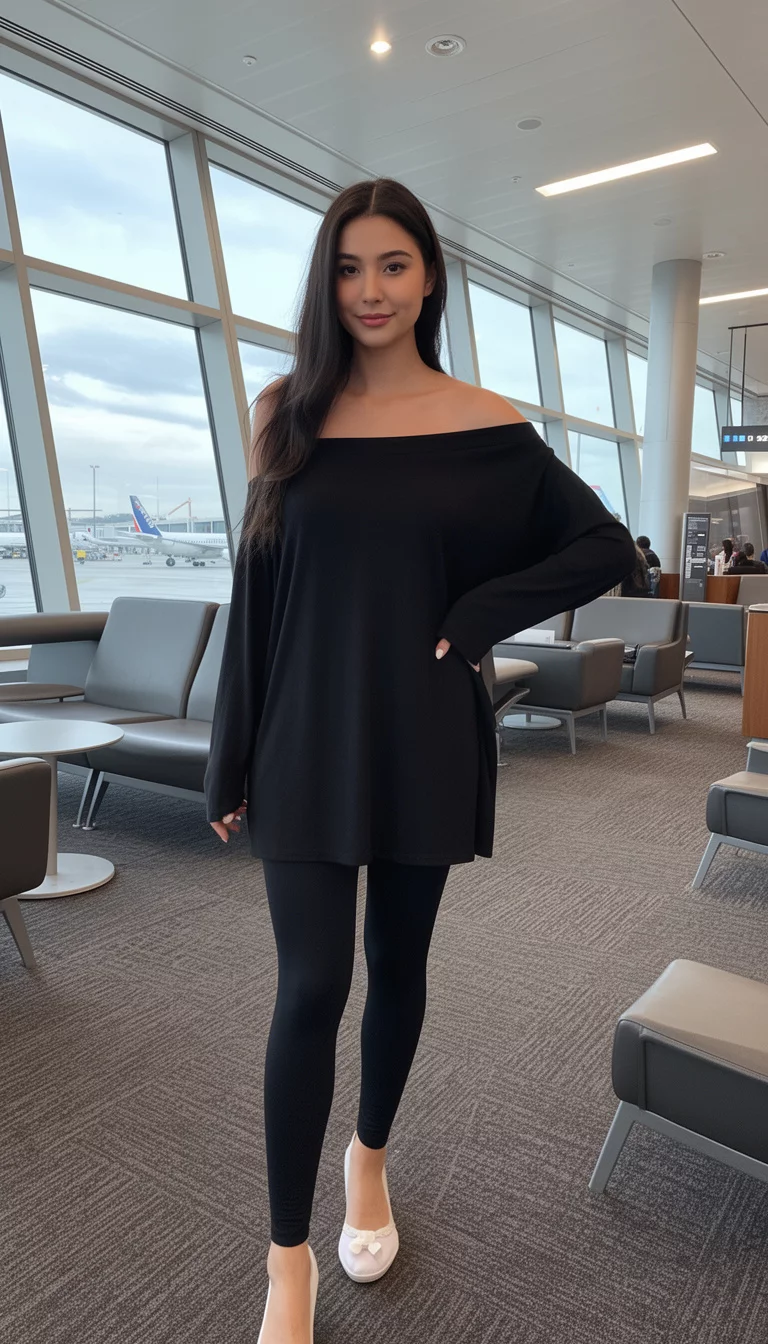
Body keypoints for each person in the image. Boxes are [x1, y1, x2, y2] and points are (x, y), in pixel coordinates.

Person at [204, 177, 636, 1344]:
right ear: (324, 282)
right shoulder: (285, 412)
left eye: (392, 265)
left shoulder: (489, 428)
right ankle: (285, 1258)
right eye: (348, 268)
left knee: (398, 965)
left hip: (425, 733)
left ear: (430, 276)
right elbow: (257, 602)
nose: (370, 291)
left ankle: (372, 1161)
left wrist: (486, 610)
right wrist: (226, 757)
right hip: (301, 735)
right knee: (310, 990)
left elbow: (605, 544)